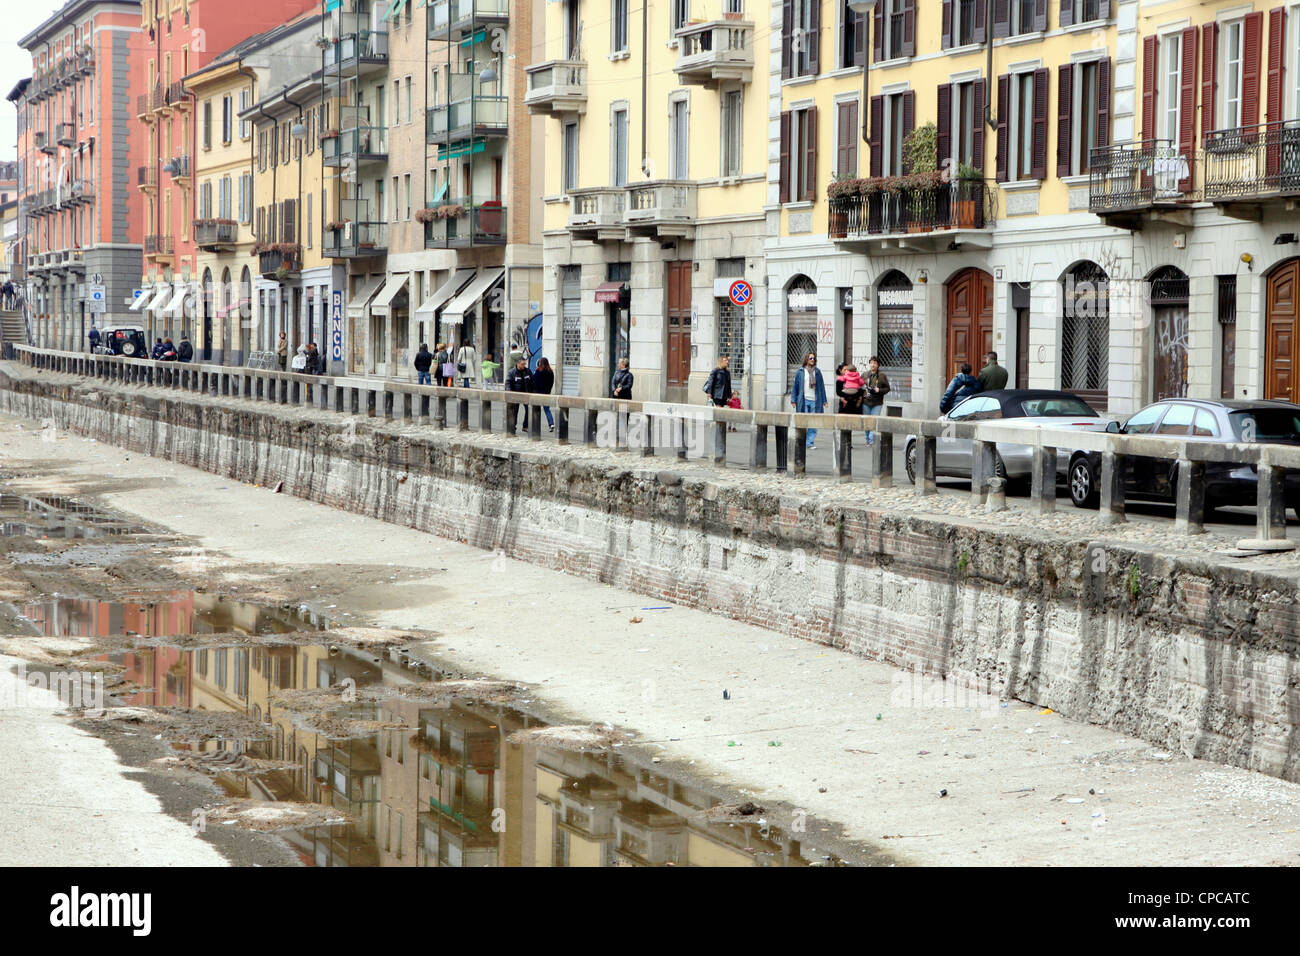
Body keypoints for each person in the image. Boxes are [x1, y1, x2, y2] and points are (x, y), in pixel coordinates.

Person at [789, 352, 827, 449]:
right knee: (803, 422)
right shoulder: (801, 372)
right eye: (810, 358)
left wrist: (824, 401)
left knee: (813, 422)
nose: (812, 360)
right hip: (804, 400)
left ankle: (809, 443)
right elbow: (795, 387)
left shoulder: (817, 372)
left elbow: (821, 387)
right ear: (806, 359)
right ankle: (801, 441)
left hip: (815, 400)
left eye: (813, 358)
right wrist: (793, 400)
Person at [863, 356, 891, 445]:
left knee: (874, 421)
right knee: (867, 422)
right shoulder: (864, 375)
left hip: (877, 403)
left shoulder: (882, 376)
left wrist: (879, 390)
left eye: (875, 363)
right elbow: (859, 385)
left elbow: (887, 388)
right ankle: (867, 438)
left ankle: (872, 440)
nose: (873, 365)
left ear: (878, 365)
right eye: (871, 363)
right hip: (866, 402)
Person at [505, 356, 533, 430]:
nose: (524, 366)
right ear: (517, 364)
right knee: (514, 411)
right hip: (516, 394)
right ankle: (513, 426)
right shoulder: (511, 372)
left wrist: (533, 391)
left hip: (526, 394)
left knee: (529, 410)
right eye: (522, 364)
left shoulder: (528, 371)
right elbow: (508, 383)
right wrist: (509, 391)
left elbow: (532, 382)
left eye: (525, 364)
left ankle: (525, 426)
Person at [532, 356, 556, 432]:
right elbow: (551, 382)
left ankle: (534, 425)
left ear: (540, 363)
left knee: (536, 409)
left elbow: (535, 381)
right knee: (547, 409)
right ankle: (551, 424)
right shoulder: (550, 371)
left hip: (538, 393)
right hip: (546, 393)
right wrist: (548, 391)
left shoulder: (538, 371)